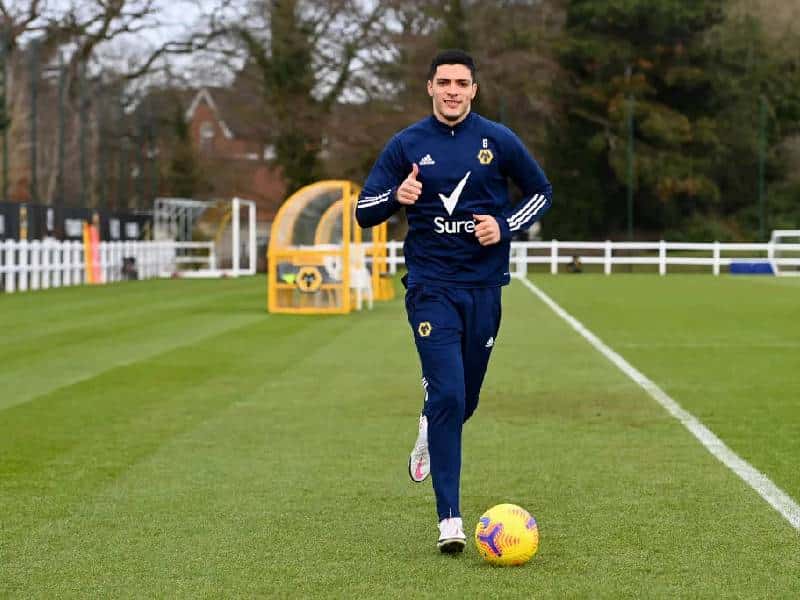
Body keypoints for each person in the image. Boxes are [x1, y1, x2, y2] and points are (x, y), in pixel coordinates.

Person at [356, 49, 553, 554]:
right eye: (443, 81)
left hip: (485, 289)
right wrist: (396, 198)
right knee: (448, 394)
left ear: (473, 90)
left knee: (464, 400)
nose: (452, 90)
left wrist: (504, 226)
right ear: (429, 87)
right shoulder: (407, 144)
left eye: (461, 83)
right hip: (430, 286)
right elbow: (363, 211)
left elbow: (541, 191)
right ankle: (450, 519)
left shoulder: (498, 140)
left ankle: (429, 422)